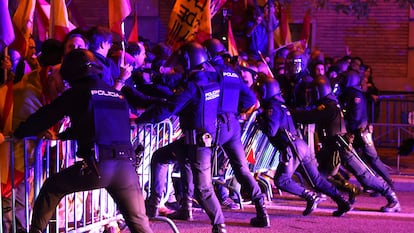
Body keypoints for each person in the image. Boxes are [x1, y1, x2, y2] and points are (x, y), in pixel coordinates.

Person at [13, 49, 153, 233]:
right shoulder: (116, 94)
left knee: (52, 187)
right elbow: (101, 126)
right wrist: (64, 136)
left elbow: (45, 117)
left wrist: (20, 131)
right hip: (127, 168)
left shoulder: (79, 92)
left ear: (71, 72)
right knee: (140, 225)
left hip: (99, 167)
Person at [135, 42, 226, 233]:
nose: (178, 66)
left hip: (198, 144)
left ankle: (220, 226)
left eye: (182, 62)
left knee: (204, 189)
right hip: (194, 141)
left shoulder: (193, 87)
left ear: (189, 61)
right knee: (159, 157)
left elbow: (169, 109)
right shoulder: (211, 81)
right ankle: (154, 207)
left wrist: (140, 121)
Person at [291, 75, 401, 213]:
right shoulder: (328, 104)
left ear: (320, 91)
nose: (311, 95)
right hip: (331, 148)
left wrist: (287, 113)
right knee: (318, 178)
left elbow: (307, 117)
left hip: (341, 147)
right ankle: (342, 202)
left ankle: (392, 198)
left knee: (365, 177)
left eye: (314, 92)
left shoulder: (328, 107)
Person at [253, 74, 351, 217]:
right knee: (316, 179)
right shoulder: (280, 105)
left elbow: (271, 130)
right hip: (300, 145)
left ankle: (309, 196)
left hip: (291, 147)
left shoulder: (272, 108)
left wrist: (259, 119)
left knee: (281, 180)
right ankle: (342, 201)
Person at [203, 38, 269, 227]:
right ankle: (261, 210)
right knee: (242, 169)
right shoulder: (233, 73)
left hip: (215, 125)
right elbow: (250, 99)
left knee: (195, 159)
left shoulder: (210, 73)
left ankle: (186, 205)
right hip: (233, 126)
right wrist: (235, 109)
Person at [339, 70, 394, 191]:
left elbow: (355, 116)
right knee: (363, 159)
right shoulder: (351, 93)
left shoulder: (355, 95)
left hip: (360, 132)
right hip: (359, 131)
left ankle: (387, 185)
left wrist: (347, 128)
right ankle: (376, 184)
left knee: (372, 159)